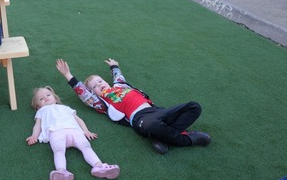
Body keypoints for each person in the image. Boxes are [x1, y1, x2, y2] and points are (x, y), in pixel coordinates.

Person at [56, 58, 211, 155]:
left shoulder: (120, 85)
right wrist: (67, 75)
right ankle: (188, 139)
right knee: (153, 125)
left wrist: (114, 66)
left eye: (100, 81)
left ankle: (162, 138)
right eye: (95, 87)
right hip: (140, 119)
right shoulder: (101, 102)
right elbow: (83, 93)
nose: (100, 85)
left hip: (156, 110)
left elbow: (118, 76)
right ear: (93, 93)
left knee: (194, 107)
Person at [26, 86, 120, 180]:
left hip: (74, 131)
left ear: (55, 98)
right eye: (41, 99)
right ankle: (61, 171)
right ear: (38, 106)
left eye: (48, 95)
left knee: (86, 146)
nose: (45, 98)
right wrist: (34, 136)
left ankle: (99, 166)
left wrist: (86, 131)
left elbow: (78, 120)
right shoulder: (41, 111)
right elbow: (37, 125)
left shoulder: (66, 108)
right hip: (55, 132)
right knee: (58, 150)